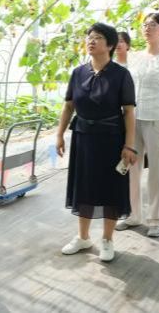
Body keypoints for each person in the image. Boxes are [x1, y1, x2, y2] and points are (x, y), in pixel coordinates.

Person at [56, 22, 137, 262]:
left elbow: (129, 112)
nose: (91, 41)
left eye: (98, 37)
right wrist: (59, 134)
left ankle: (107, 240)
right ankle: (83, 237)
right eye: (89, 37)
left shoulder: (121, 74)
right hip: (83, 138)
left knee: (111, 188)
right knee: (84, 186)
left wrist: (129, 145)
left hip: (112, 139)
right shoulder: (78, 73)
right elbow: (68, 106)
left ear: (110, 45)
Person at [115, 12, 159, 237]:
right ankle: (133, 215)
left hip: (158, 121)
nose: (147, 28)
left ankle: (157, 219)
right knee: (131, 168)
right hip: (133, 120)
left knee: (158, 172)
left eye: (153, 24)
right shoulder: (133, 58)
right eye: (145, 25)